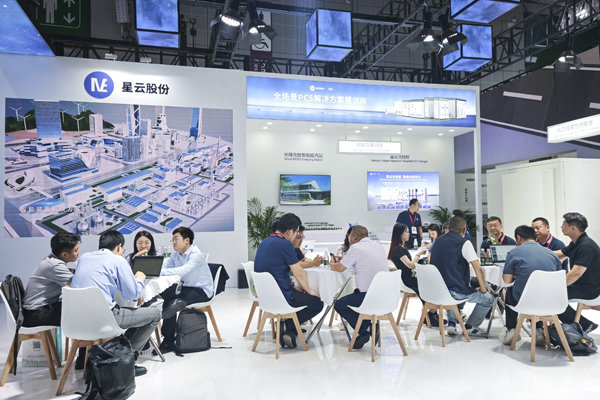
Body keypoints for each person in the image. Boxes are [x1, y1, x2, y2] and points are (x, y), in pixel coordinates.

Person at [71, 231, 160, 377]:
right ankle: (127, 361)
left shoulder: (84, 257)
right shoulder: (118, 260)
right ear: (119, 247)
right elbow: (133, 294)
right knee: (155, 314)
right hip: (106, 319)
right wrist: (139, 278)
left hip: (77, 321)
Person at [254, 213, 324, 349]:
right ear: (289, 231)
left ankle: (290, 332)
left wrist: (292, 286)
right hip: (280, 296)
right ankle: (287, 326)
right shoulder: (285, 244)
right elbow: (299, 272)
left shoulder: (265, 241)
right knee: (316, 303)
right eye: (297, 232)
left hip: (265, 296)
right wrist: (309, 290)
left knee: (301, 293)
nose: (297, 236)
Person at [430, 216, 494, 336]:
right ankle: (470, 326)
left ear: (449, 227)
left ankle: (452, 324)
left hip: (438, 291)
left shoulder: (437, 241)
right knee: (488, 299)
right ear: (464, 230)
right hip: (455, 292)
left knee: (453, 287)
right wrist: (483, 289)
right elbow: (478, 268)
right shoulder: (464, 243)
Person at [502, 225, 562, 345]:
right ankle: (539, 330)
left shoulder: (513, 252)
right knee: (538, 293)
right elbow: (559, 277)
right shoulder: (551, 253)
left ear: (519, 238)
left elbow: (507, 280)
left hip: (525, 300)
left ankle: (512, 330)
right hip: (551, 301)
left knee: (510, 292)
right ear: (535, 237)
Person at [331, 225, 389, 349]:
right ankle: (367, 328)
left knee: (339, 304)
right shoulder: (378, 246)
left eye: (349, 237)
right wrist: (346, 260)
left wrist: (332, 264)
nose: (349, 240)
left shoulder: (356, 248)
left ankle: (365, 329)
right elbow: (365, 262)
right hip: (386, 297)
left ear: (355, 236)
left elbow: (339, 268)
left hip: (366, 297)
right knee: (354, 300)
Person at [158, 227, 214, 353]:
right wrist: (155, 269)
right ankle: (167, 339)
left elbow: (183, 270)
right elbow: (166, 265)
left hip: (201, 291)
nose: (173, 242)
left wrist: (160, 272)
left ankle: (168, 341)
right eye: (172, 239)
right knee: (166, 296)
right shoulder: (177, 254)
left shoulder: (195, 254)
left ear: (187, 240)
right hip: (186, 288)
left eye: (176, 239)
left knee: (172, 303)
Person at [388, 223, 443, 327]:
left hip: (409, 278)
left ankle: (431, 313)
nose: (409, 234)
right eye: (406, 232)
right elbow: (410, 265)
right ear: (400, 234)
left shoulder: (402, 247)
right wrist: (419, 254)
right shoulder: (398, 249)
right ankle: (431, 314)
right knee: (432, 286)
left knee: (432, 284)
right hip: (408, 280)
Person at [554, 212, 600, 334]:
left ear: (573, 228)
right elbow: (559, 254)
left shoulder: (586, 246)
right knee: (552, 295)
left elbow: (575, 274)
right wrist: (538, 253)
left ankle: (583, 325)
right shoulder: (576, 243)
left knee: (553, 296)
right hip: (581, 286)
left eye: (564, 224)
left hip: (591, 290)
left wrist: (555, 285)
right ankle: (581, 324)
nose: (561, 227)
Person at [22, 233, 81, 327]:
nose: (79, 253)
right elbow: (77, 285)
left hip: (37, 310)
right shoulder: (55, 265)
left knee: (77, 307)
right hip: (36, 314)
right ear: (64, 254)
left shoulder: (51, 260)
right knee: (82, 311)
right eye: (76, 250)